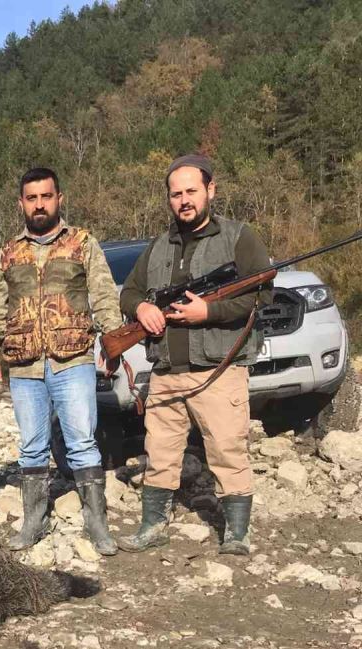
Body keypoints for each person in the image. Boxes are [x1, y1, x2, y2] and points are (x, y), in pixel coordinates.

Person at [117, 153, 272, 555]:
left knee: (227, 448)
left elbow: (260, 294)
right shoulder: (157, 246)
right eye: (176, 194)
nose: (184, 200)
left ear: (210, 190)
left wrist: (210, 311)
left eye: (191, 191)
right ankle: (153, 526)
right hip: (167, 370)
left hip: (218, 370)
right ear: (168, 199)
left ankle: (236, 534)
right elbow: (131, 291)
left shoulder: (239, 237)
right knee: (160, 452)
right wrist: (141, 308)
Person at [0, 166, 123, 554]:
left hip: (73, 358)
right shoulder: (9, 252)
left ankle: (97, 524)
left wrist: (113, 344)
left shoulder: (82, 242)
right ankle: (33, 521)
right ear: (21, 203)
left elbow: (104, 295)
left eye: (46, 196)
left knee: (82, 443)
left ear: (59, 199)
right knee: (31, 447)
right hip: (23, 363)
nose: (39, 204)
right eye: (32, 198)